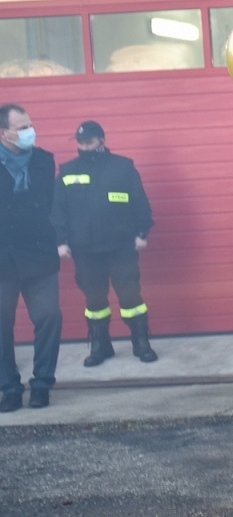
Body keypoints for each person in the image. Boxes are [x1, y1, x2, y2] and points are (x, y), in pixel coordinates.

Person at [53, 121, 158, 366]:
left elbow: (139, 201)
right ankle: (101, 346)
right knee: (94, 301)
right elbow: (57, 209)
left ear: (101, 140)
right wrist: (60, 240)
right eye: (80, 142)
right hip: (85, 249)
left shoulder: (123, 167)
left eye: (88, 141)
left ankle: (141, 343)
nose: (84, 146)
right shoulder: (67, 171)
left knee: (131, 297)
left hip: (121, 246)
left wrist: (143, 232)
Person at [0, 104, 62, 411]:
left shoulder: (44, 161)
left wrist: (60, 240)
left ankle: (42, 385)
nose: (30, 132)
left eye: (30, 125)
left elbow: (53, 205)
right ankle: (9, 388)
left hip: (39, 255)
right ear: (4, 133)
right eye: (22, 127)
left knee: (49, 317)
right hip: (3, 258)